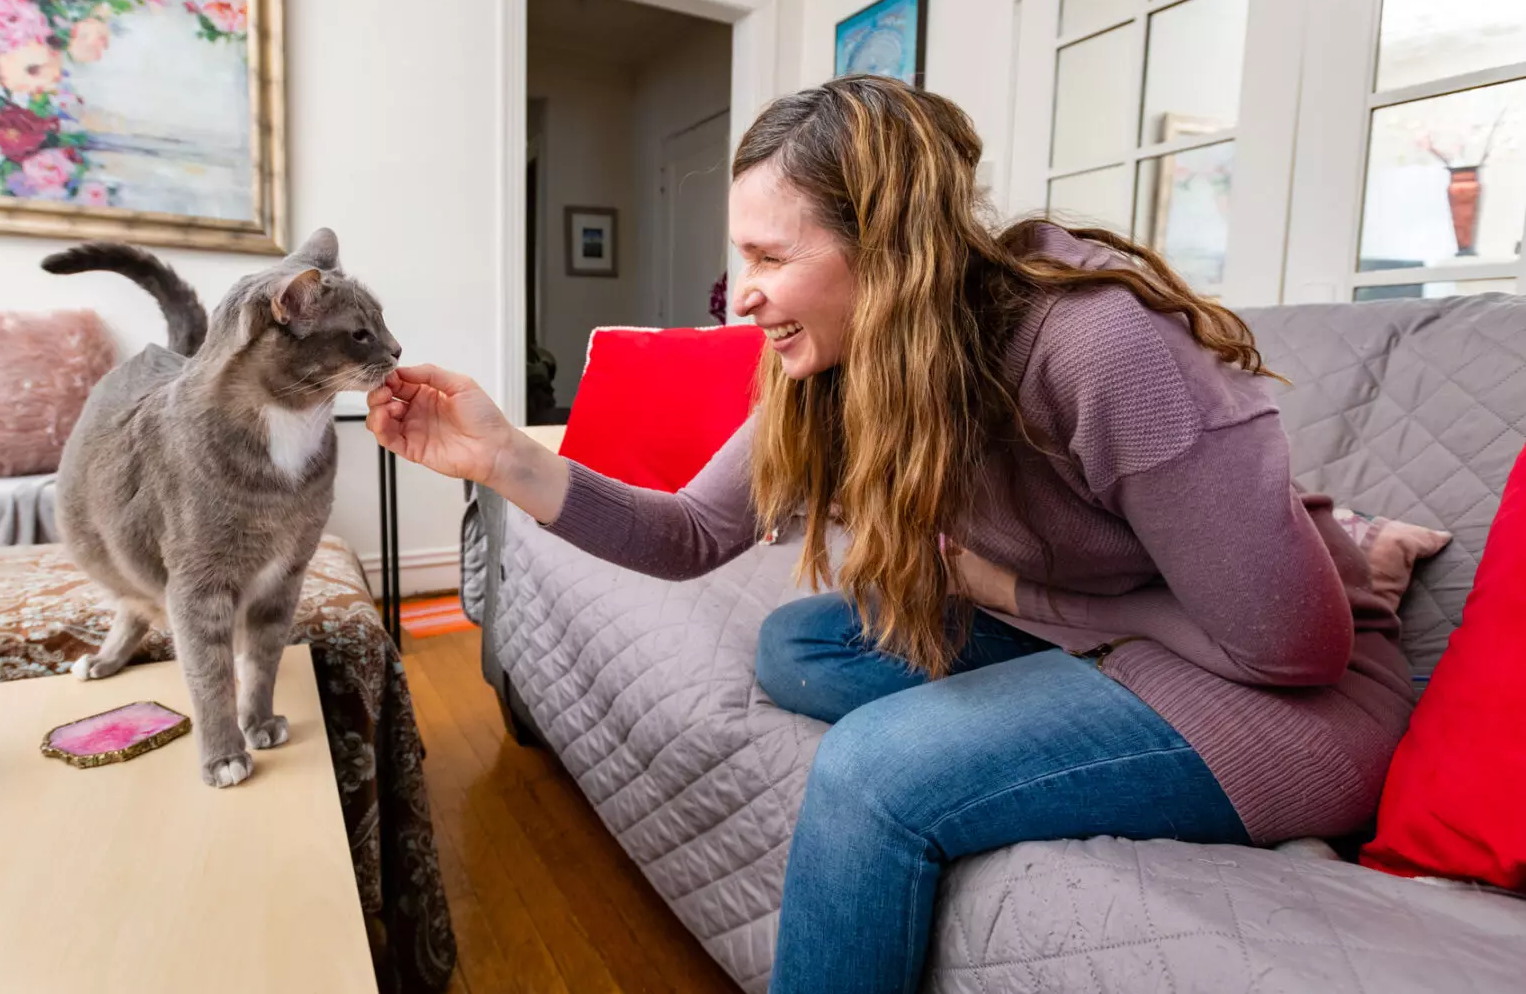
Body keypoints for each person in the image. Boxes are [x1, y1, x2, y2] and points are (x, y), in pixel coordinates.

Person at [368, 76, 1414, 994]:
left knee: (878, 768)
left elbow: (1296, 653)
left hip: (1283, 698)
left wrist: (1011, 594)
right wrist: (502, 455)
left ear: (891, 248)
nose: (747, 298)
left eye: (773, 256)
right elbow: (692, 536)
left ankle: (1317, 559)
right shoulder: (834, 364)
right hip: (1112, 640)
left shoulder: (1098, 348)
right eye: (744, 258)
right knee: (799, 643)